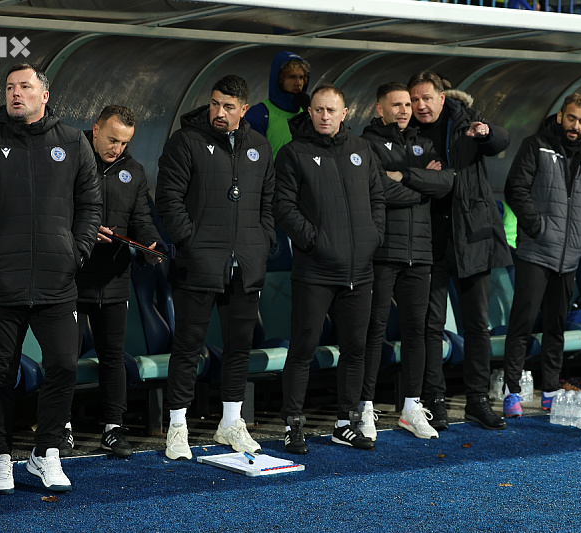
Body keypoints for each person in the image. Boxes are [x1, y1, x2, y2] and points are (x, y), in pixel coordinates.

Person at [0, 63, 101, 494]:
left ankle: (45, 453)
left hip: (57, 282)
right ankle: (0, 458)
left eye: (25, 87)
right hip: (2, 283)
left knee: (65, 367)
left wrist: (77, 251)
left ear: (44, 95)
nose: (17, 94)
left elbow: (91, 205)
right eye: (11, 88)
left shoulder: (72, 142)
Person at [156, 75, 275, 459]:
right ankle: (177, 427)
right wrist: (191, 242)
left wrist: (262, 241)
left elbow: (267, 202)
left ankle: (230, 423)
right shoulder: (185, 141)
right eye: (214, 104)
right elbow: (168, 199)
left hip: (247, 263)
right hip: (198, 264)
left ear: (244, 109)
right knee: (188, 346)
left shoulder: (259, 145)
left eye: (228, 106)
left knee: (239, 346)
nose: (219, 112)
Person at [274, 84, 385, 454]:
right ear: (310, 112)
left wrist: (374, 237)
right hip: (316, 270)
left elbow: (377, 198)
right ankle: (293, 424)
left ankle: (346, 423)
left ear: (344, 113)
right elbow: (284, 207)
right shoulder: (294, 153)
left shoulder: (361, 149)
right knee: (303, 349)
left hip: (360, 271)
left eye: (331, 110)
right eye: (318, 110)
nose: (324, 116)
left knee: (355, 349)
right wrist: (314, 241)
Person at [58, 105, 163, 459]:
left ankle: (113, 428)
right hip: (72, 277)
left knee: (113, 357)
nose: (116, 147)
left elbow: (142, 219)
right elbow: (55, 212)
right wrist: (85, 231)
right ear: (95, 129)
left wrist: (151, 245)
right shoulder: (72, 160)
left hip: (115, 279)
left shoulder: (134, 171)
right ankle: (62, 426)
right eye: (112, 139)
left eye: (124, 142)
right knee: (65, 357)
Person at [408, 70, 510, 431]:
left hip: (471, 238)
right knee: (430, 326)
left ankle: (477, 400)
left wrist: (486, 132)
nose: (420, 106)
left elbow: (500, 141)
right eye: (414, 99)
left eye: (426, 98)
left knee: (477, 325)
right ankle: (435, 400)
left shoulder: (466, 123)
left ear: (441, 97)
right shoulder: (407, 132)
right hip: (429, 240)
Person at [359, 82, 454, 441]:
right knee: (376, 329)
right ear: (380, 108)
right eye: (396, 105)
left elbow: (445, 183)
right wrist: (420, 185)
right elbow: (378, 189)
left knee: (418, 330)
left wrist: (406, 177)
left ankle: (412, 407)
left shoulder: (424, 142)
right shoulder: (367, 143)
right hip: (384, 251)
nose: (403, 110)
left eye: (407, 105)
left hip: (421, 252)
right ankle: (364, 406)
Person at [503, 93, 581, 417]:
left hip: (569, 255)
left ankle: (550, 390)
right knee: (522, 324)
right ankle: (512, 392)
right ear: (561, 116)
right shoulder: (537, 145)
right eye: (571, 118)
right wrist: (538, 228)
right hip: (535, 251)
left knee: (556, 327)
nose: (576, 126)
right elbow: (515, 188)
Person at [244, 51, 310, 158]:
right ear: (279, 79)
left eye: (301, 77)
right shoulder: (260, 114)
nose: (298, 83)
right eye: (292, 77)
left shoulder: (308, 113)